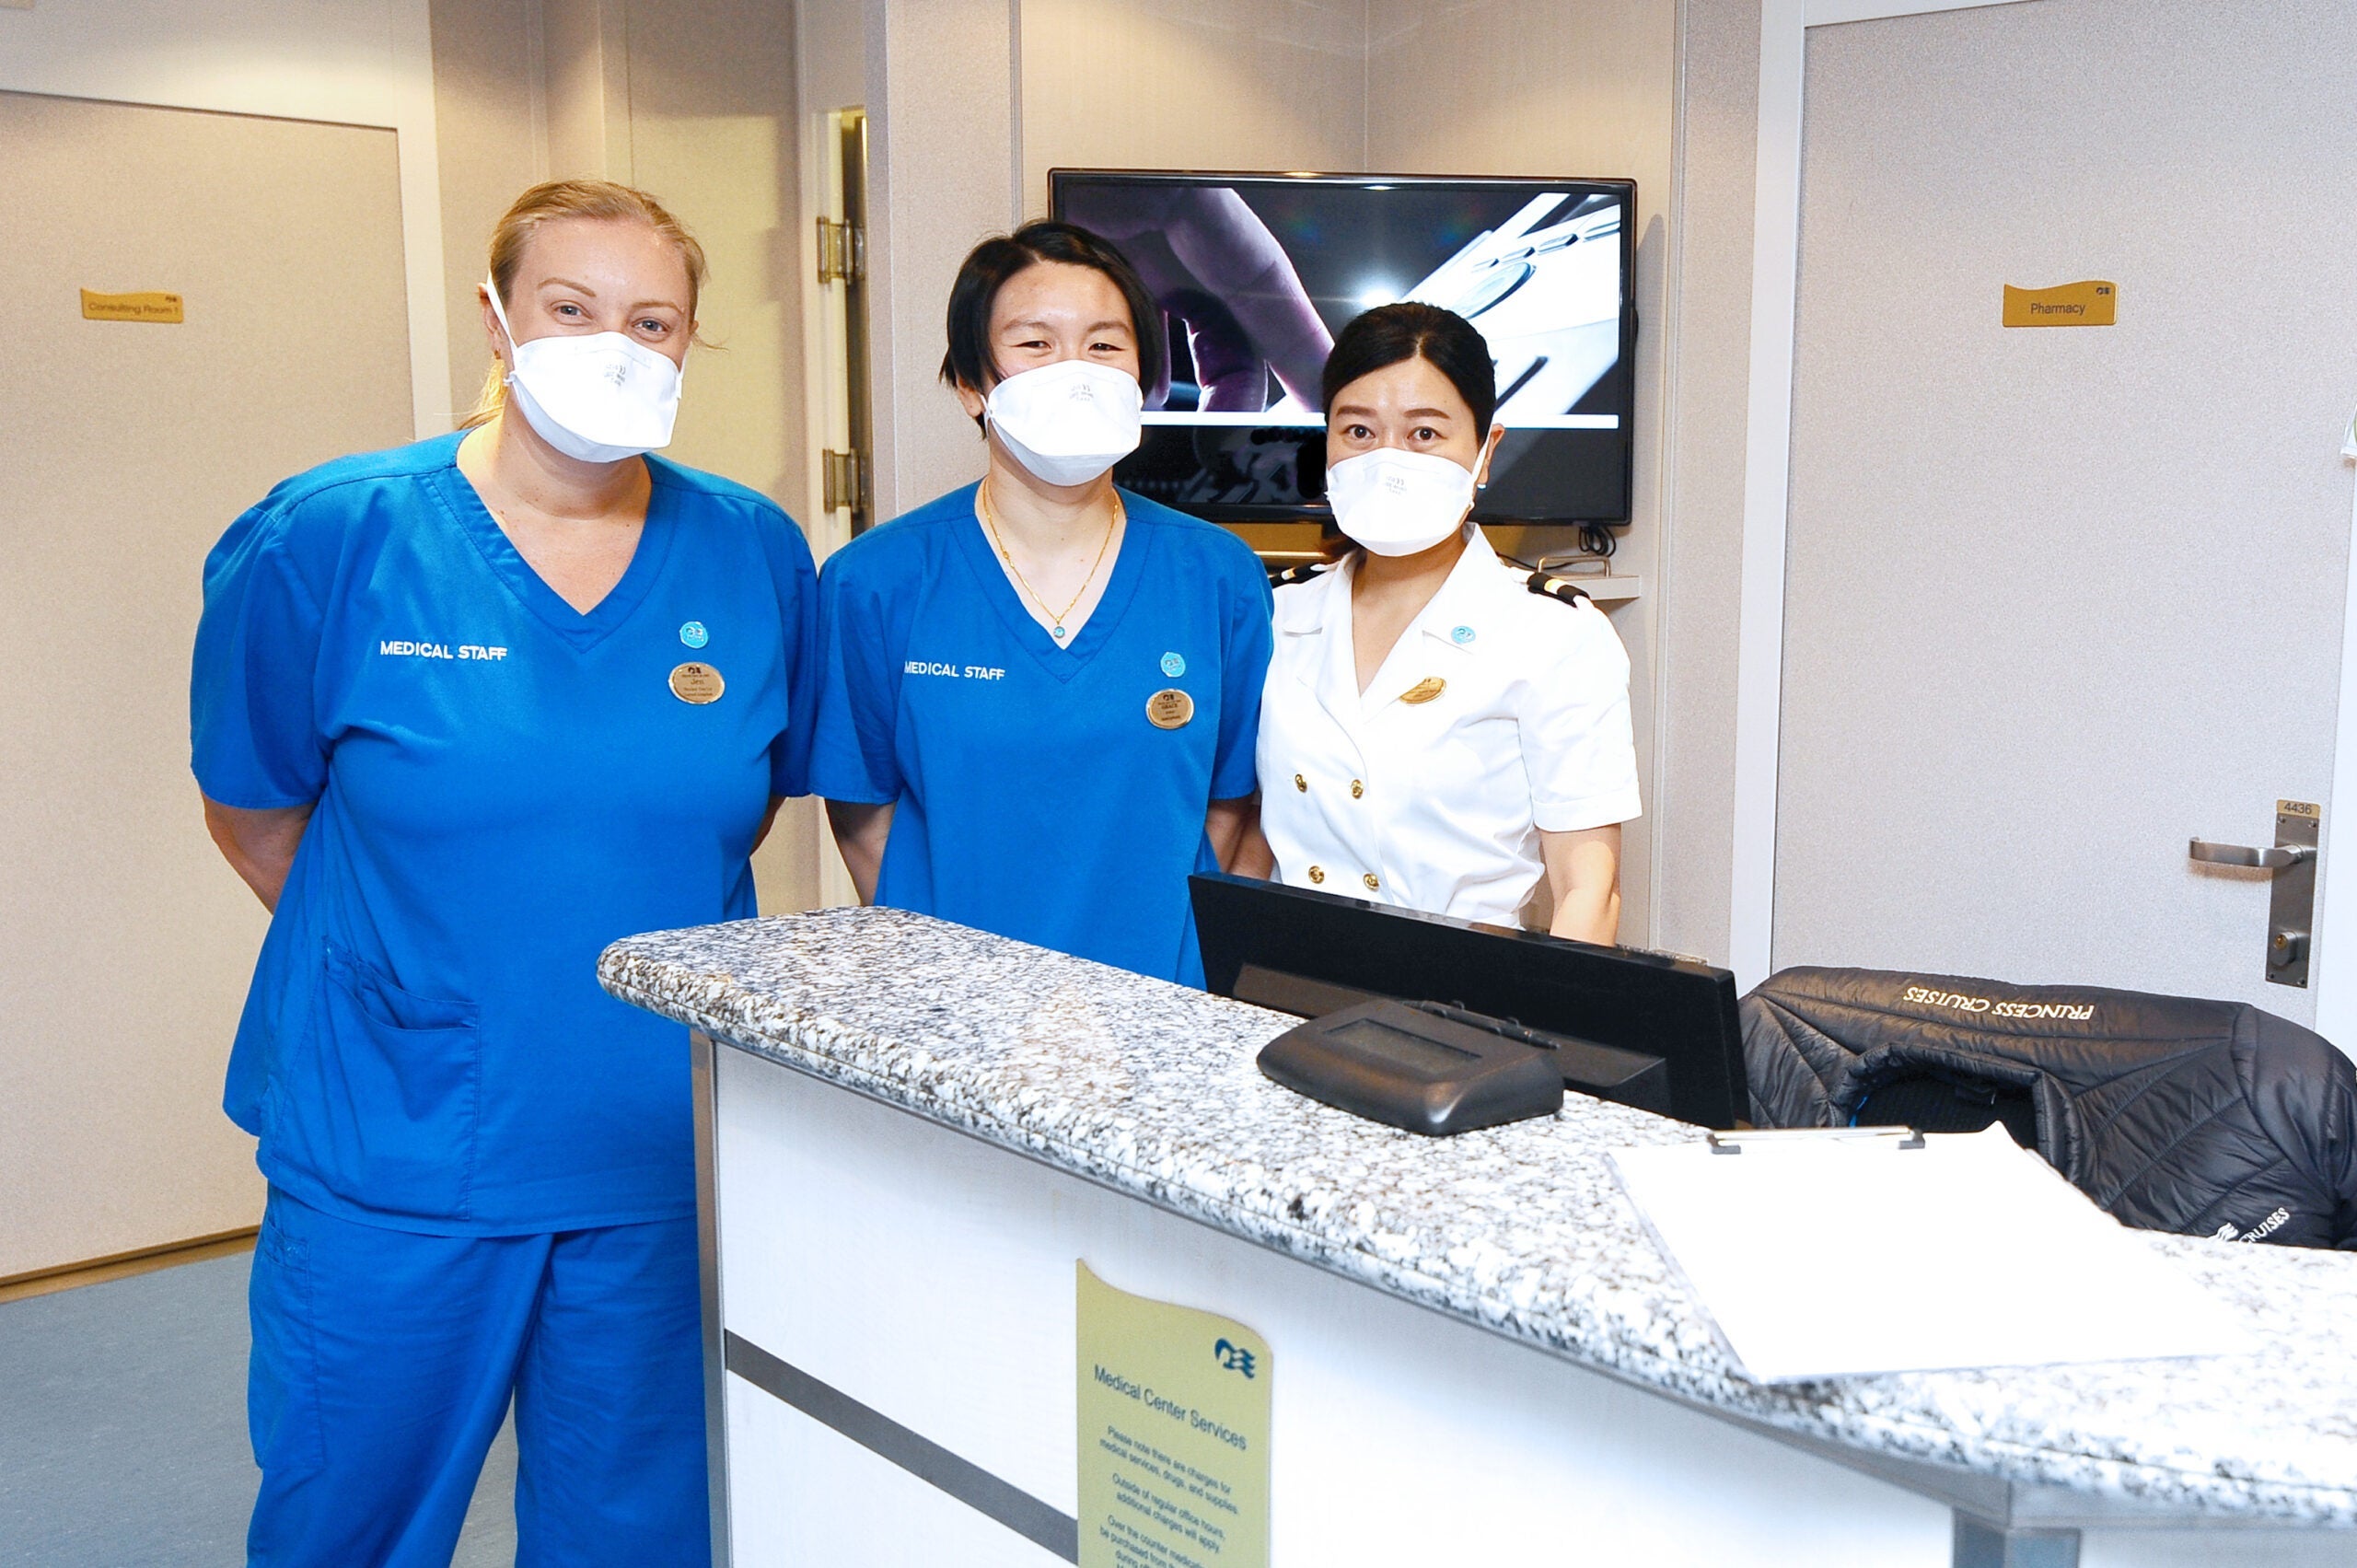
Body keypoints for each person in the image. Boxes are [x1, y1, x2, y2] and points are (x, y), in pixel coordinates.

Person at [190, 179, 818, 1567]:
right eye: (570, 308)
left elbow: (732, 807)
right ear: (497, 319)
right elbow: (252, 810)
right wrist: (423, 970)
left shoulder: (751, 550)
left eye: (652, 320)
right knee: (349, 1519)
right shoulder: (335, 534)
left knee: (638, 1530)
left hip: (652, 1138)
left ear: (690, 338)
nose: (614, 345)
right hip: (396, 1136)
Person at [811, 221, 1273, 986]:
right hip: (953, 1008)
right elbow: (864, 816)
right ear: (971, 383)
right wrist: (947, 980)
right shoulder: (877, 580)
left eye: (1104, 345)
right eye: (1035, 344)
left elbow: (1231, 808)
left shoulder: (1217, 575)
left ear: (1145, 377)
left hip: (1160, 1004)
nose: (1076, 372)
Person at [1237, 302, 1641, 943]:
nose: (1387, 459)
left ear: (1485, 451)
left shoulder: (1555, 633)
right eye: (1359, 431)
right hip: (1287, 972)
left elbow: (1589, 890)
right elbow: (1254, 833)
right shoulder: (1275, 612)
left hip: (1463, 986)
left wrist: (1551, 1009)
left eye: (1424, 433)